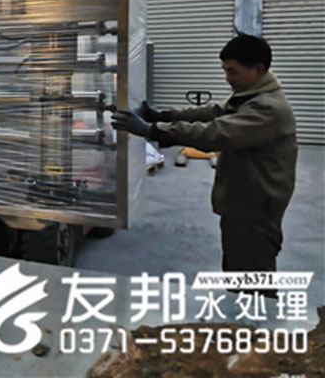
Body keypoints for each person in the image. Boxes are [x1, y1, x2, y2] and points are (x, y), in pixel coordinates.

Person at [111, 34, 297, 289]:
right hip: (244, 202)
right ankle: (241, 311)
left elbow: (214, 133)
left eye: (233, 71)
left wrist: (150, 130)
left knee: (252, 279)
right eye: (225, 70)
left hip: (255, 209)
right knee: (237, 270)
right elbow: (211, 112)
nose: (227, 78)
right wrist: (163, 115)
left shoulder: (268, 108)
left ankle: (254, 315)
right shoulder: (249, 96)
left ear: (258, 68)